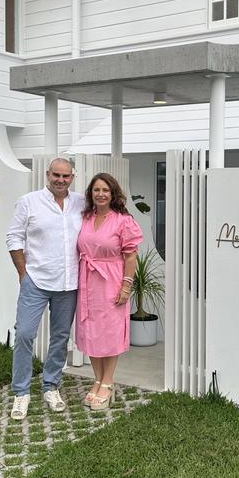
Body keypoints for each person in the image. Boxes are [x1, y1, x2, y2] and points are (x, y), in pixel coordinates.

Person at [6, 157, 85, 419]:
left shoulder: (80, 203)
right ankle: (21, 392)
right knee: (25, 334)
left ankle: (51, 385)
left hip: (68, 282)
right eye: (56, 175)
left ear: (72, 177)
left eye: (65, 176)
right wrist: (22, 273)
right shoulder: (29, 202)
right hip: (36, 281)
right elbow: (14, 237)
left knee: (60, 337)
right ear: (47, 174)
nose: (60, 180)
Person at [75, 173, 142, 410]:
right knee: (91, 331)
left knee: (110, 331)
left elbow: (131, 255)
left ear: (113, 193)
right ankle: (97, 379)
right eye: (96, 190)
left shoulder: (123, 221)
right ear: (90, 194)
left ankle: (108, 382)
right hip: (87, 281)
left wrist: (126, 285)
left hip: (112, 280)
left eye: (105, 190)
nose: (100, 194)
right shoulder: (85, 217)